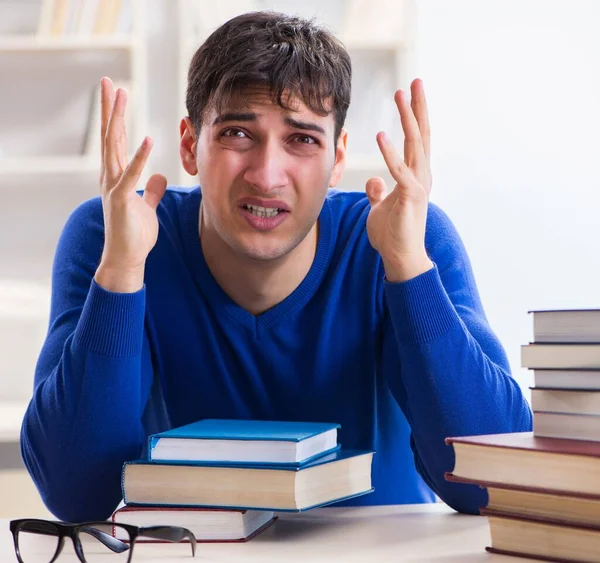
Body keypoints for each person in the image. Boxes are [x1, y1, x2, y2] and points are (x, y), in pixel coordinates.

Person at [21, 11, 532, 522]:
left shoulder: (405, 236)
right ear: (189, 146)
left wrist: (408, 266)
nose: (267, 175)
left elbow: (490, 486)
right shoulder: (116, 233)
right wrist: (122, 272)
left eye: (303, 139)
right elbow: (76, 494)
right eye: (238, 133)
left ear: (337, 160)